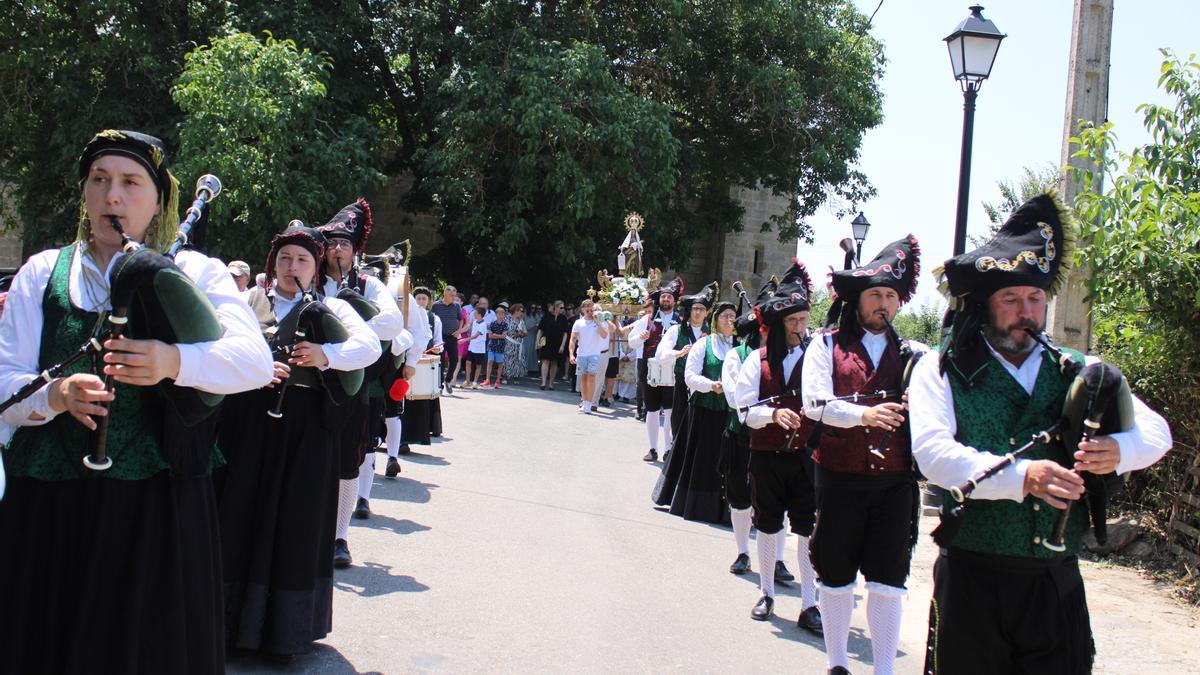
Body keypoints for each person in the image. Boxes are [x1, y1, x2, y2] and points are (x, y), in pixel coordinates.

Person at [0, 129, 274, 673]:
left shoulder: (196, 272)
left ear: (159, 199)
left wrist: (174, 362)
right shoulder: (42, 272)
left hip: (156, 505)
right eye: (99, 180)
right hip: (52, 507)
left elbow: (253, 362)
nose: (112, 196)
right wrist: (55, 395)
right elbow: (6, 380)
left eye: (130, 182)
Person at [910, 193, 1172, 675]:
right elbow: (933, 454)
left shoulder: (1077, 368)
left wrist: (1118, 450)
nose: (1025, 310)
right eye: (1010, 299)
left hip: (1054, 580)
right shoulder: (940, 368)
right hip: (972, 574)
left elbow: (1157, 432)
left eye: (1034, 298)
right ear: (984, 306)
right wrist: (1024, 476)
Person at [218, 221, 380, 661]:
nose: (293, 266)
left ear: (315, 268)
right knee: (241, 515)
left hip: (307, 432)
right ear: (273, 263)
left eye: (302, 260)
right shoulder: (247, 301)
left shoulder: (332, 307)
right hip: (249, 426)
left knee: (295, 523)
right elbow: (213, 344)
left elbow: (369, 347)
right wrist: (253, 368)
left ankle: (284, 634)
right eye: (285, 258)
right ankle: (229, 625)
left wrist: (326, 355)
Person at [802, 235, 925, 671]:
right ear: (857, 300)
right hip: (839, 476)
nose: (884, 304)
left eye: (891, 296)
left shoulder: (915, 355)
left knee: (890, 579)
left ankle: (885, 668)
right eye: (875, 294)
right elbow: (813, 404)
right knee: (836, 572)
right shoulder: (825, 344)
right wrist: (864, 417)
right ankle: (837, 661)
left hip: (895, 483)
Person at [315, 199, 415, 563]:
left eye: (345, 243)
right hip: (309, 385)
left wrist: (347, 330)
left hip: (352, 387)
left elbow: (392, 324)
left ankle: (340, 537)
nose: (337, 249)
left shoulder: (369, 284)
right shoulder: (310, 277)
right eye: (332, 242)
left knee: (348, 460)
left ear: (356, 249)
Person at [733, 260, 821, 631]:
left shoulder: (818, 359)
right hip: (768, 455)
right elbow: (743, 411)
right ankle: (767, 593)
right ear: (781, 324)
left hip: (805, 456)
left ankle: (810, 604)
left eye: (804, 320)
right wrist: (773, 415)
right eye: (794, 322)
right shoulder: (757, 360)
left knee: (807, 527)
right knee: (768, 525)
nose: (801, 328)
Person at [653, 294, 736, 524]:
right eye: (725, 316)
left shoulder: (740, 347)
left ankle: (724, 510)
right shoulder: (704, 343)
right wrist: (711, 386)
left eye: (733, 316)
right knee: (699, 457)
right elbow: (690, 376)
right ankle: (692, 503)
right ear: (717, 319)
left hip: (729, 414)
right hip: (702, 411)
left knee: (725, 461)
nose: (730, 320)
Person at [721, 278, 775, 576]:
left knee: (776, 499)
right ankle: (743, 552)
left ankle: (777, 559)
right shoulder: (736, 356)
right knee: (740, 495)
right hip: (742, 435)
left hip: (776, 438)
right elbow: (733, 399)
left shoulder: (786, 355)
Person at [656, 281, 716, 458]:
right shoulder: (676, 330)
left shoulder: (711, 335)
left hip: (702, 385)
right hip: (680, 382)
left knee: (699, 422)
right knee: (677, 418)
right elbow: (660, 354)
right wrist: (678, 353)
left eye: (701, 309)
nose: (697, 312)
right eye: (694, 308)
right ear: (689, 311)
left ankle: (694, 455)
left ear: (707, 313)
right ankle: (675, 452)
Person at [628, 276, 683, 461]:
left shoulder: (681, 322)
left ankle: (668, 449)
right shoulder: (647, 319)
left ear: (674, 300)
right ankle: (652, 449)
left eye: (669, 297)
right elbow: (632, 343)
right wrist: (640, 338)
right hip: (649, 368)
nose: (666, 300)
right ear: (659, 300)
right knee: (651, 409)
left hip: (672, 369)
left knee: (669, 410)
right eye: (663, 297)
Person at [394, 286, 444, 460]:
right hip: (402, 358)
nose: (421, 301)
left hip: (417, 360)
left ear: (429, 301)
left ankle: (405, 439)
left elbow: (437, 340)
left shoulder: (433, 318)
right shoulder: (403, 310)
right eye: (419, 298)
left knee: (411, 402)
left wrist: (436, 349)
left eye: (424, 298)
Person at [568, 300, 613, 414]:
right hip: (582, 354)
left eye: (591, 307)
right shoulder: (578, 322)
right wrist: (571, 354)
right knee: (583, 378)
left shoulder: (598, 321)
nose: (589, 310)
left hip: (594, 354)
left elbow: (604, 335)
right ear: (582, 309)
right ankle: (584, 401)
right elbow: (572, 340)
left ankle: (589, 403)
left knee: (592, 376)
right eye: (586, 307)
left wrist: (598, 322)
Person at [430, 285, 464, 394]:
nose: (453, 297)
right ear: (445, 294)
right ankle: (439, 385)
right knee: (440, 361)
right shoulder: (435, 305)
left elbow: (461, 320)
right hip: (440, 337)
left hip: (452, 337)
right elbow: (431, 319)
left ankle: (448, 380)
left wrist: (459, 331)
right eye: (451, 295)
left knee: (454, 360)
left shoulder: (456, 306)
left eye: (454, 295)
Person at [536, 300, 570, 389]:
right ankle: (543, 382)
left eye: (563, 308)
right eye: (561, 307)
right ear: (555, 307)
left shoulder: (563, 318)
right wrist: (538, 341)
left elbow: (565, 333)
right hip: (546, 342)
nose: (562, 309)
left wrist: (563, 345)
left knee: (554, 362)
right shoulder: (547, 316)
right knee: (545, 361)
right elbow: (540, 330)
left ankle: (551, 383)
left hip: (557, 343)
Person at [482, 304, 508, 388]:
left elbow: (504, 336)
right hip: (491, 346)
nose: (500, 315)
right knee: (490, 362)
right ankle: (487, 380)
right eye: (499, 314)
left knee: (500, 363)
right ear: (496, 315)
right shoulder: (492, 324)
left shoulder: (505, 325)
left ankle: (497, 381)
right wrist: (498, 335)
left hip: (500, 346)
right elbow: (490, 336)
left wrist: (495, 335)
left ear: (504, 315)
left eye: (502, 314)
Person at [464, 303, 489, 388]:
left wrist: (464, 340)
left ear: (479, 314)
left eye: (475, 313)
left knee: (478, 365)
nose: (473, 314)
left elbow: (475, 336)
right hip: (472, 346)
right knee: (468, 362)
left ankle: (474, 382)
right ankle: (467, 381)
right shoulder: (474, 322)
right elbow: (472, 334)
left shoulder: (483, 325)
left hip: (479, 348)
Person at [504, 303, 529, 383]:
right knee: (508, 359)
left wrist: (522, 333)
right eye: (521, 311)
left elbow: (525, 331)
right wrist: (516, 333)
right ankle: (505, 376)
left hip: (519, 343)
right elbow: (506, 330)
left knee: (518, 360)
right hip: (510, 342)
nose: (522, 312)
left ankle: (516, 376)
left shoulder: (521, 321)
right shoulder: (508, 318)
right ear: (516, 310)